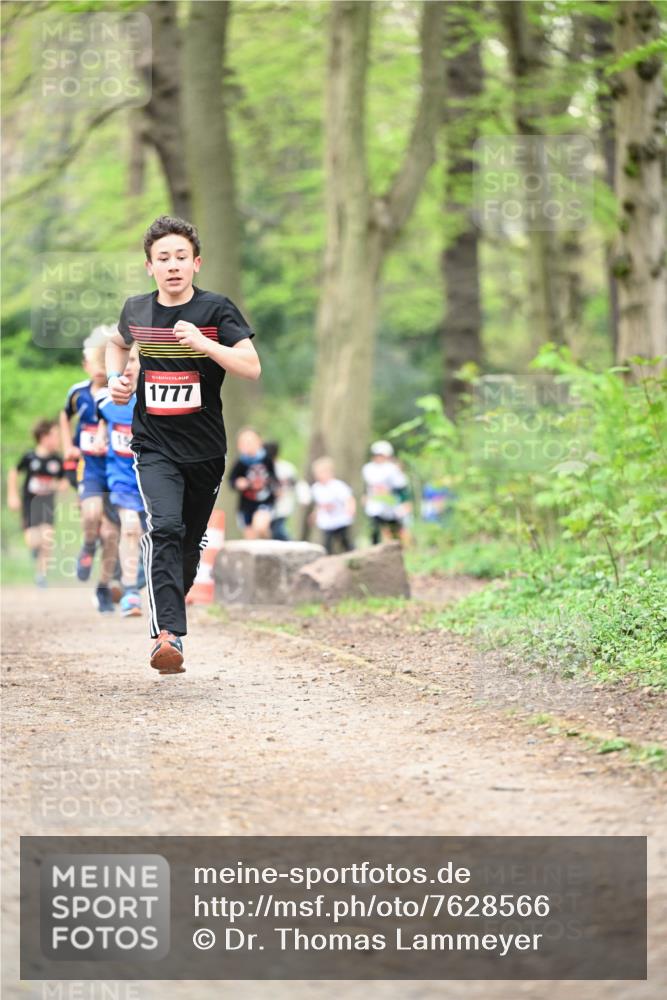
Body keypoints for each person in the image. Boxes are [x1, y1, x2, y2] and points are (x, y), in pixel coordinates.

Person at [105, 214, 260, 675]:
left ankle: (172, 603)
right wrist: (119, 380)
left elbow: (250, 367)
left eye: (180, 257)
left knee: (188, 544)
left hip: (206, 451)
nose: (172, 266)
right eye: (162, 258)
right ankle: (166, 638)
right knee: (165, 528)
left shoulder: (217, 311)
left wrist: (204, 344)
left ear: (197, 263)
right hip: (153, 445)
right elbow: (116, 344)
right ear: (150, 267)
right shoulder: (137, 310)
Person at [60, 332, 121, 611]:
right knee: (91, 514)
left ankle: (104, 586)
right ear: (86, 364)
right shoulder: (77, 393)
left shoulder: (117, 393)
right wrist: (67, 446)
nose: (99, 367)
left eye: (104, 360)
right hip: (90, 468)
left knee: (111, 535)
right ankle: (87, 544)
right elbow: (64, 415)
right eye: (94, 361)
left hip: (115, 469)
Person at [95, 344, 145, 618]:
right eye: (123, 359)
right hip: (122, 480)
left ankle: (150, 584)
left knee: (160, 537)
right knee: (130, 526)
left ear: (140, 363)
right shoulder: (104, 401)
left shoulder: (153, 400)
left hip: (152, 480)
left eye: (133, 359)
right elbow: (95, 425)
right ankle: (130, 593)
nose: (127, 365)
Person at [7, 419, 68, 586]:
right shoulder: (29, 456)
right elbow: (14, 472)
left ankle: (41, 575)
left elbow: (64, 483)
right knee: (33, 541)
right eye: (55, 436)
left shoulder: (57, 460)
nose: (58, 440)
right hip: (29, 505)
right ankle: (35, 551)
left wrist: (54, 485)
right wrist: (12, 495)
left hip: (47, 505)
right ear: (43, 437)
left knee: (47, 537)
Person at [229, 429, 277, 540]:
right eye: (243, 443)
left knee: (260, 526)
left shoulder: (266, 459)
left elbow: (274, 478)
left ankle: (269, 542)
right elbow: (231, 481)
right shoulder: (240, 462)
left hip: (264, 501)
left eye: (250, 442)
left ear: (259, 442)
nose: (247, 445)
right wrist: (238, 483)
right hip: (246, 505)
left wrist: (274, 487)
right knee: (250, 537)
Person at [361, 440, 410, 545]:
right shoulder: (368, 468)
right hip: (375, 503)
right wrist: (365, 496)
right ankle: (374, 549)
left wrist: (404, 502)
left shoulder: (392, 469)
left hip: (390, 503)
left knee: (394, 529)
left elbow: (401, 487)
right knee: (374, 528)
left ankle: (400, 548)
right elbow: (367, 486)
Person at [310, 456, 355, 554]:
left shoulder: (337, 486)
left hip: (340, 519)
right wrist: (314, 515)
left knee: (345, 540)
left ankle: (352, 554)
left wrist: (350, 509)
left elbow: (349, 499)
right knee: (326, 543)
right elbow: (319, 505)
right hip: (326, 521)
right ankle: (327, 559)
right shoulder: (316, 488)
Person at [264, 441, 299, 541]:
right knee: (270, 533)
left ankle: (293, 545)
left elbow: (294, 485)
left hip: (283, 504)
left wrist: (282, 491)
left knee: (278, 531)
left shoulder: (286, 468)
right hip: (267, 507)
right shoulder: (264, 468)